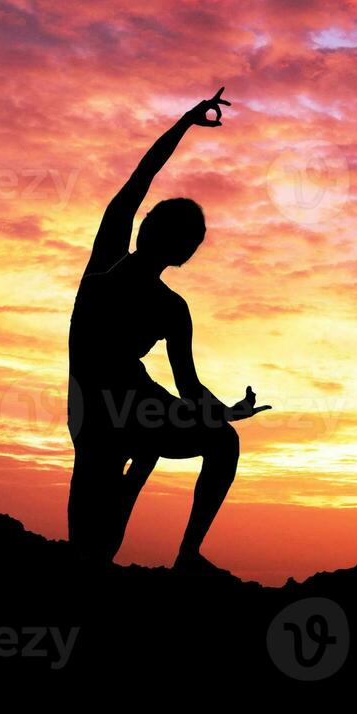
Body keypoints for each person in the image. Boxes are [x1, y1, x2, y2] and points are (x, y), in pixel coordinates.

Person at [66, 88, 269, 576]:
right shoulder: (113, 266)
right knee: (94, 541)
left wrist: (223, 412)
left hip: (131, 407)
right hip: (101, 412)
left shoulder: (168, 306)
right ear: (185, 251)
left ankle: (186, 556)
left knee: (217, 443)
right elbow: (142, 178)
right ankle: (165, 527)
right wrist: (184, 123)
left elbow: (188, 388)